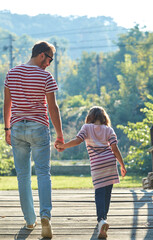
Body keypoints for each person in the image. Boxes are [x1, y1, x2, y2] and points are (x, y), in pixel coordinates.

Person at [3, 41, 64, 239]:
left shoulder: (12, 73)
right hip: (39, 127)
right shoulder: (45, 76)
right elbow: (53, 108)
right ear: (41, 55)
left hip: (18, 127)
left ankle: (30, 219)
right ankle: (45, 215)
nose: (49, 64)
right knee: (43, 173)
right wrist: (60, 134)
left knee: (22, 176)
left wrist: (7, 129)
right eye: (49, 59)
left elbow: (7, 104)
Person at [56, 106, 127, 239]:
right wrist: (122, 165)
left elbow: (78, 140)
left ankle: (101, 221)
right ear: (104, 118)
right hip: (110, 163)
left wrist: (63, 146)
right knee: (107, 193)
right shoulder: (109, 129)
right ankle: (103, 219)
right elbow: (115, 148)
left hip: (97, 165)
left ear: (90, 117)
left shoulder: (86, 127)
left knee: (99, 193)